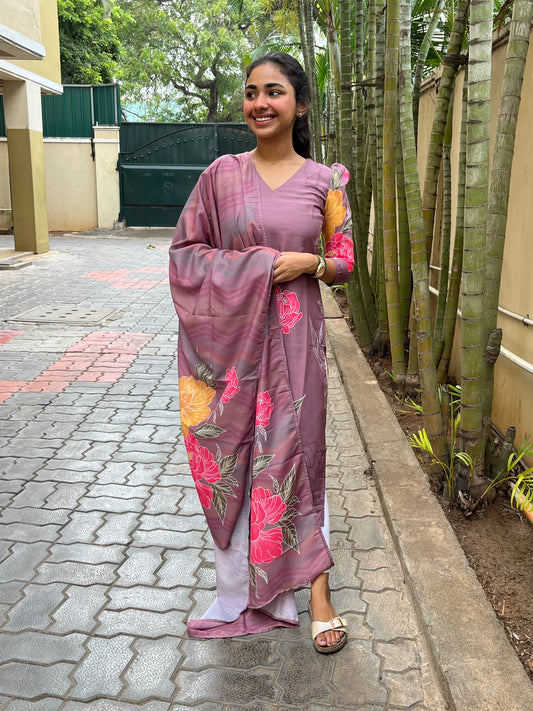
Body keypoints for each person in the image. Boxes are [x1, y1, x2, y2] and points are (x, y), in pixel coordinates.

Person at [169, 52, 354, 653]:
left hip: (300, 346)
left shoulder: (327, 181)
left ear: (299, 103)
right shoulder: (219, 176)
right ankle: (242, 592)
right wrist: (260, 267)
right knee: (239, 458)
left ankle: (317, 594)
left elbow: (346, 261)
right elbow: (185, 253)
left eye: (274, 92)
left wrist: (315, 263)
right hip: (233, 352)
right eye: (251, 93)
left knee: (300, 455)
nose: (259, 103)